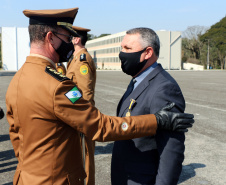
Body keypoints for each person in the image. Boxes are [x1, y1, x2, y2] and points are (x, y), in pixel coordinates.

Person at [5, 8, 194, 185]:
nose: (70, 41)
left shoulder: (18, 78)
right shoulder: (56, 85)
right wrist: (157, 121)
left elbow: (15, 134)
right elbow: (100, 126)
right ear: (50, 38)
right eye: (66, 37)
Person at [111, 27, 189, 185]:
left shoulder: (164, 88)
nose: (122, 53)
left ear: (147, 53)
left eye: (128, 48)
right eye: (121, 48)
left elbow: (170, 151)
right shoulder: (137, 80)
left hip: (142, 179)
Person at [66, 26, 96, 185]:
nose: (67, 40)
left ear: (77, 39)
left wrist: (83, 118)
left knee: (85, 158)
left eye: (70, 37)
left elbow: (85, 93)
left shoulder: (82, 59)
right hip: (75, 114)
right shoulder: (74, 58)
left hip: (82, 116)